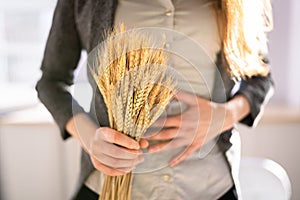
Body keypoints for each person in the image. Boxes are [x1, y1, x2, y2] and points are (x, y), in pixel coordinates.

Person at [36, 0, 274, 199]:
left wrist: (226, 115)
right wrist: (91, 139)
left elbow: (261, 79)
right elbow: (52, 82)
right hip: (110, 188)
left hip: (210, 187)